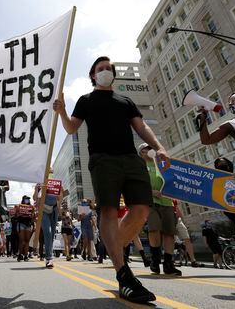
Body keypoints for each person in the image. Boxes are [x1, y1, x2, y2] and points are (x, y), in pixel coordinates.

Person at [53, 56, 170, 303]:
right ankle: (123, 272)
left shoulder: (125, 100)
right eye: (101, 69)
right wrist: (62, 111)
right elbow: (72, 128)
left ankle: (113, 246)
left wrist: (158, 147)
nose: (106, 71)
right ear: (93, 75)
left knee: (141, 209)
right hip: (103, 160)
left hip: (130, 158)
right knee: (108, 211)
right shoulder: (86, 100)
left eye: (109, 68)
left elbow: (141, 127)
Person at [138, 143, 181, 276]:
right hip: (150, 202)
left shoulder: (162, 164)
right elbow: (138, 184)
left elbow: (174, 180)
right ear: (141, 153)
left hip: (167, 202)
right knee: (154, 229)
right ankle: (155, 261)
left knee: (169, 232)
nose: (150, 151)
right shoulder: (140, 167)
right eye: (146, 150)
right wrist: (152, 192)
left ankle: (169, 264)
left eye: (151, 149)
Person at [33, 174, 62, 269]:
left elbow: (60, 199)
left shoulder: (56, 184)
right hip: (43, 210)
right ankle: (49, 258)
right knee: (48, 232)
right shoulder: (40, 183)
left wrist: (60, 191)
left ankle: (49, 255)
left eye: (51, 171)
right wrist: (37, 190)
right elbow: (35, 198)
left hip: (54, 210)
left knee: (52, 234)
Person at [173, 200, 204, 268]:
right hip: (168, 218)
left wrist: (183, 220)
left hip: (178, 219)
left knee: (187, 238)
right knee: (170, 239)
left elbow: (177, 208)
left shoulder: (173, 196)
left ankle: (193, 261)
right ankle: (171, 260)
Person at [16, 195, 35, 262]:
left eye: (28, 199)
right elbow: (16, 215)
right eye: (26, 199)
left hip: (28, 225)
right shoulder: (19, 206)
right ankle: (20, 254)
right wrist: (19, 213)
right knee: (22, 240)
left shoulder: (31, 207)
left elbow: (33, 217)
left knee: (27, 240)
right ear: (23, 200)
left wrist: (32, 214)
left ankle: (26, 255)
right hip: (21, 224)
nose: (27, 200)